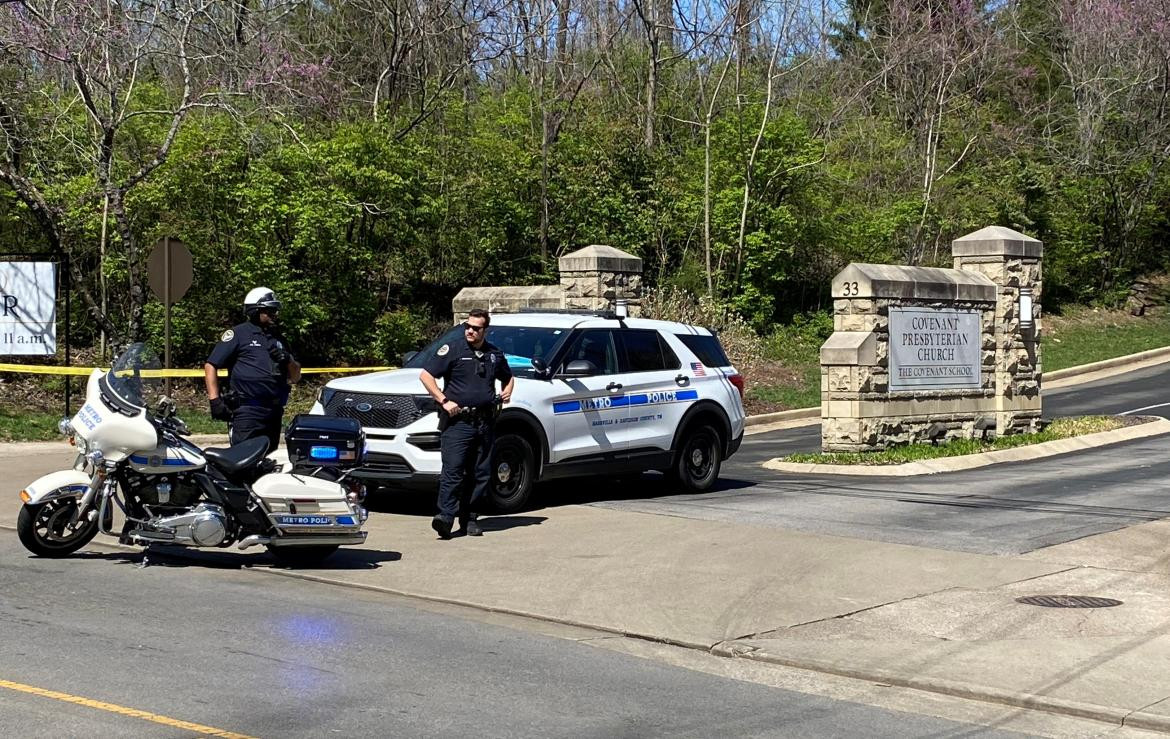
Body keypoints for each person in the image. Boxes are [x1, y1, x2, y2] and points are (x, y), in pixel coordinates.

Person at [419, 308, 514, 538]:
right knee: (453, 470)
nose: (470, 331)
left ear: (485, 330)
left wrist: (507, 391)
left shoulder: (494, 354)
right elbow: (425, 375)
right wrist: (443, 400)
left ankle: (470, 518)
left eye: (476, 328)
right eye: (468, 327)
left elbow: (508, 377)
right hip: (458, 422)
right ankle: (445, 517)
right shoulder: (452, 350)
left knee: (480, 473)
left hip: (484, 421)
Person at [204, 287, 301, 453]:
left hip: (273, 411)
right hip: (247, 411)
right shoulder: (238, 334)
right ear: (255, 310)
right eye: (270, 310)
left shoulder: (279, 338)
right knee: (243, 458)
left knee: (268, 459)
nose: (274, 314)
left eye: (275, 310)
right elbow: (211, 365)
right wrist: (215, 400)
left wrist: (288, 359)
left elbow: (296, 376)